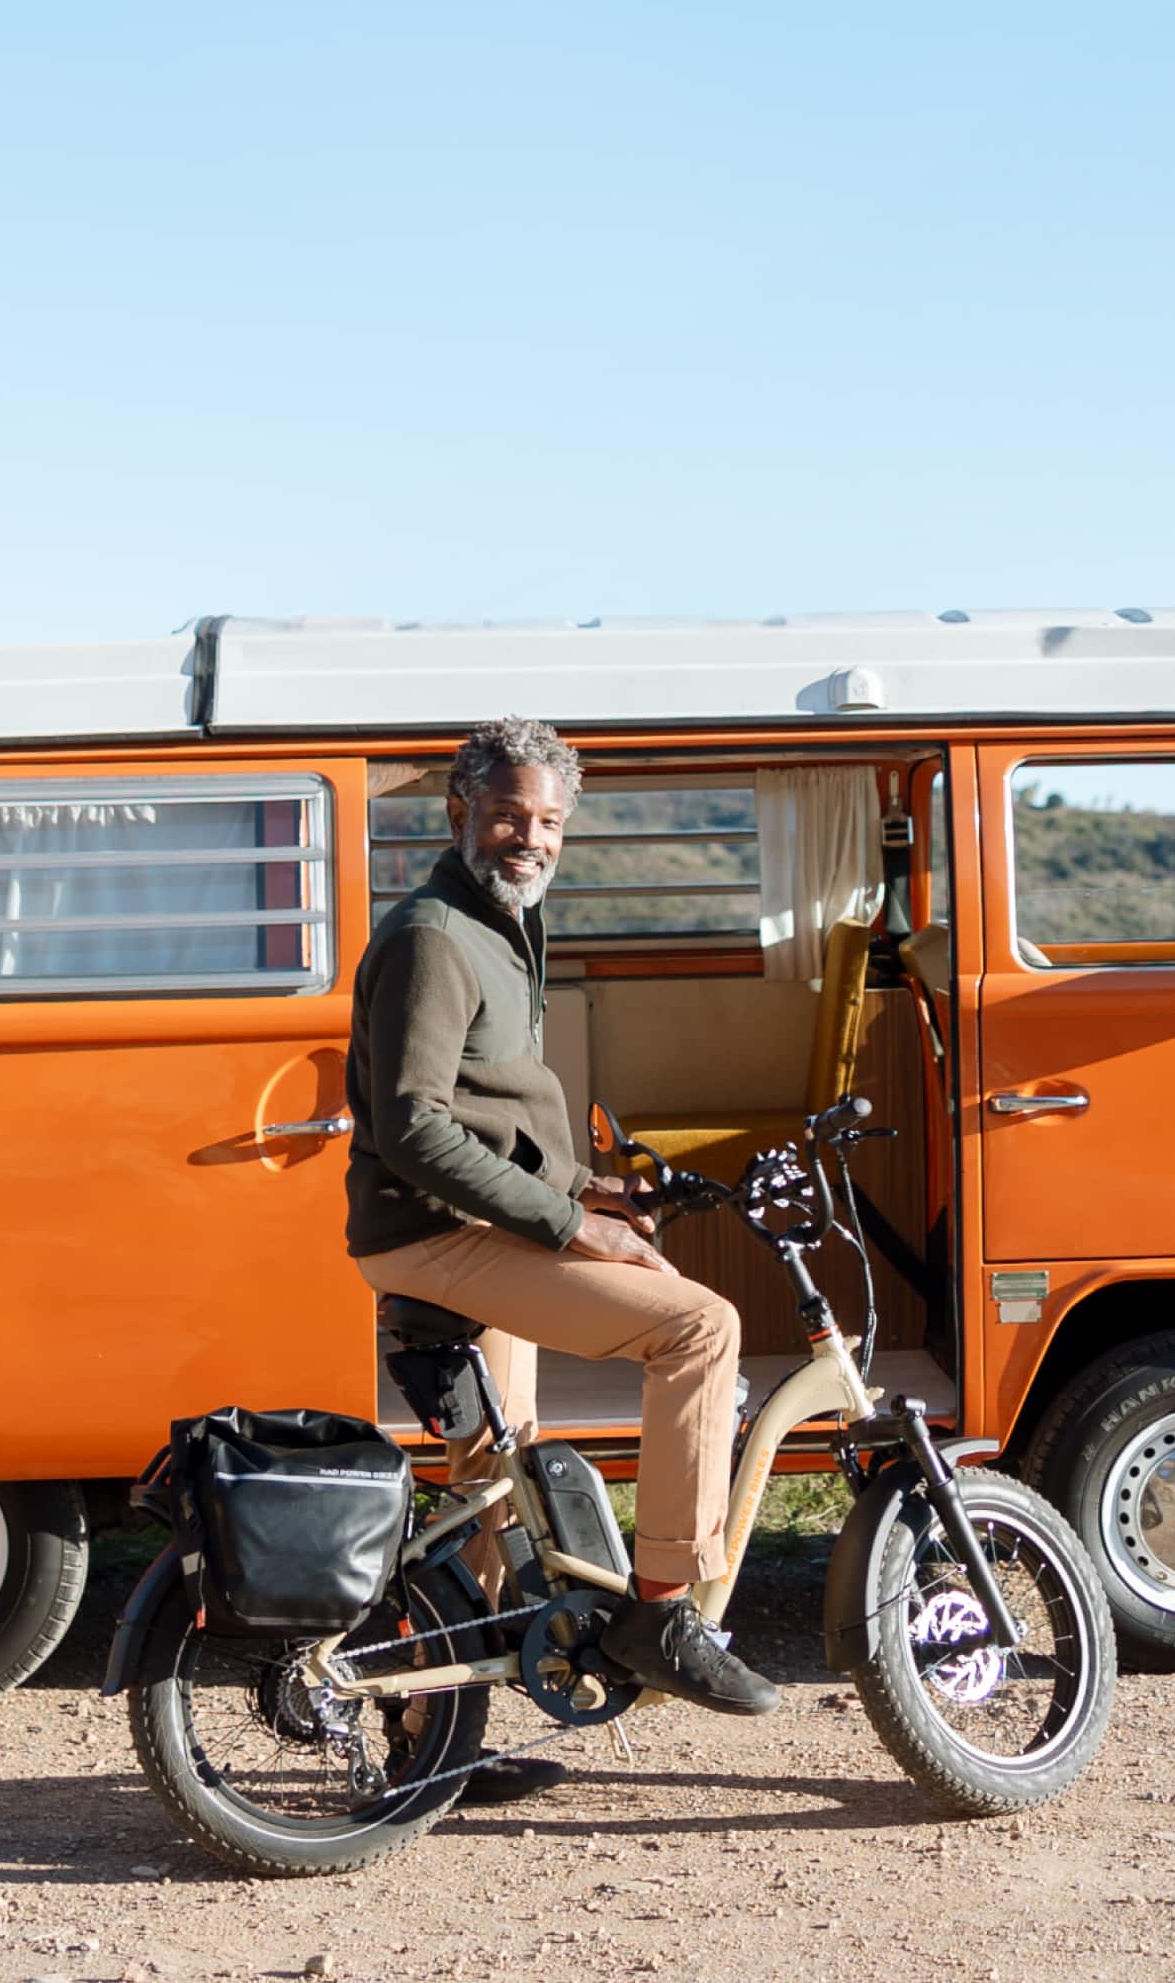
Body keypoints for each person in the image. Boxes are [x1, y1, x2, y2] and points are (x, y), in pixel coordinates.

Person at [346, 716, 780, 1801]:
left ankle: (427, 1743)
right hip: (434, 1237)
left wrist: (589, 1186)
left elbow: (490, 1118)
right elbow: (412, 1126)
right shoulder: (435, 937)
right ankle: (666, 1610)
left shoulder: (501, 922)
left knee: (497, 1484)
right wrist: (568, 1224)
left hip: (478, 1226)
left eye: (546, 820)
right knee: (700, 1326)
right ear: (458, 814)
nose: (526, 836)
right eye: (505, 814)